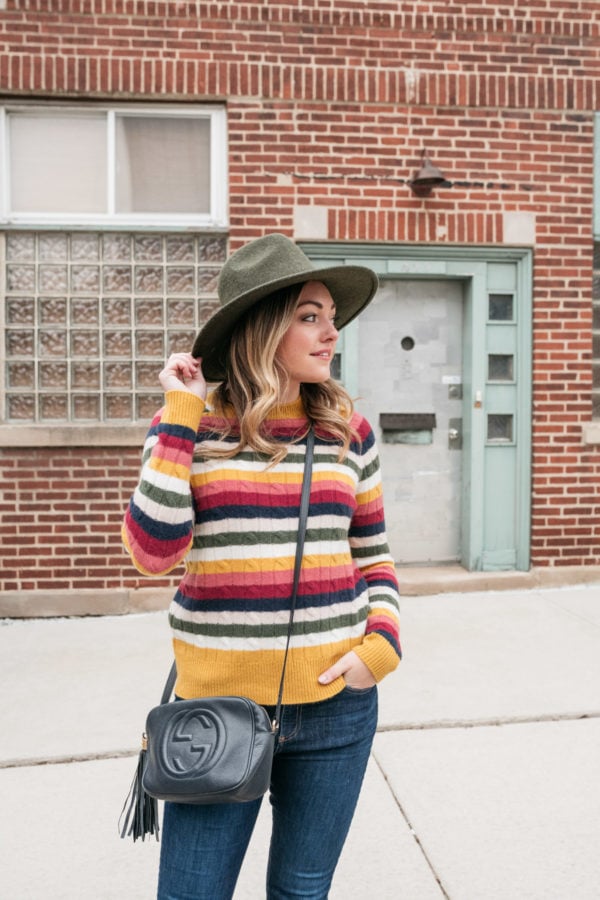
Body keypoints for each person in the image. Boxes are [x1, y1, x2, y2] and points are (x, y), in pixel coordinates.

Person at [122, 233, 401, 900]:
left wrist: (382, 646)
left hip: (336, 706)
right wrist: (181, 414)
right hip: (218, 709)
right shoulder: (190, 427)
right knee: (192, 893)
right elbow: (153, 554)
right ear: (263, 327)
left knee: (302, 892)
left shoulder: (348, 431)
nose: (331, 332)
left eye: (331, 316)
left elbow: (373, 553)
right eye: (310, 315)